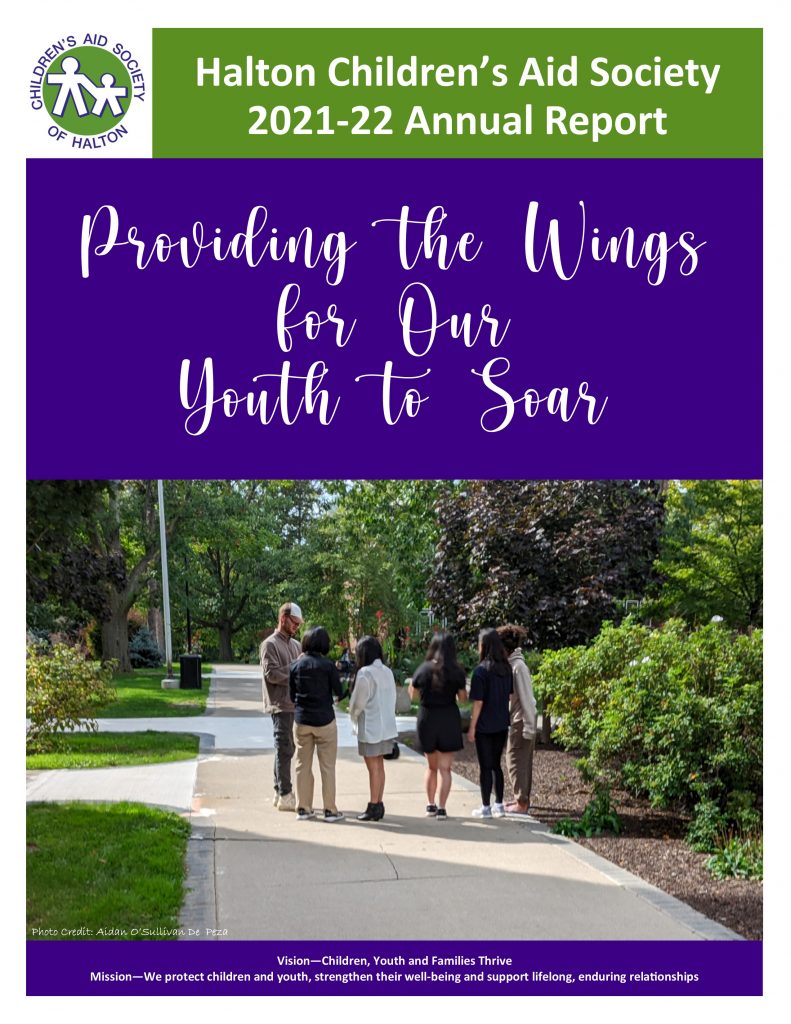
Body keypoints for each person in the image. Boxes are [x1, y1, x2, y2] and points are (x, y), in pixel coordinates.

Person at [408, 633, 468, 820]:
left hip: (427, 717)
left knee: (431, 767)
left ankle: (430, 804)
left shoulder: (423, 669)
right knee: (445, 769)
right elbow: (463, 699)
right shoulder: (456, 671)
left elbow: (413, 695)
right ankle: (442, 808)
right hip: (449, 718)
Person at [289, 626, 345, 822]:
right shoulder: (328, 666)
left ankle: (303, 808)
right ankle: (330, 810)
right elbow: (339, 691)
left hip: (302, 720)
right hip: (325, 720)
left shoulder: (295, 666)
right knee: (327, 767)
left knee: (302, 764)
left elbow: (291, 695)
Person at [348, 636, 398, 821]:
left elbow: (358, 703)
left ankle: (373, 806)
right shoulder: (387, 671)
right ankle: (378, 803)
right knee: (380, 766)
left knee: (373, 768)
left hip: (370, 727)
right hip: (387, 728)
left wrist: (352, 713)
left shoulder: (365, 674)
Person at [260, 602, 303, 811]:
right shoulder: (269, 645)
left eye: (298, 624)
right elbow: (272, 674)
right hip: (279, 704)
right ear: (283, 618)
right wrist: (296, 667)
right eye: (294, 622)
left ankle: (279, 790)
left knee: (286, 749)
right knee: (284, 748)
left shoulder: (296, 645)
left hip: (294, 704)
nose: (296, 627)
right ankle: (285, 793)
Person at [468, 628, 513, 818]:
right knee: (496, 764)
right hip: (502, 723)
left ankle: (486, 807)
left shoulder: (480, 671)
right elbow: (510, 695)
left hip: (485, 725)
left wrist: (472, 727)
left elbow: (478, 702)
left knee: (485, 766)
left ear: (483, 646)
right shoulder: (506, 669)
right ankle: (499, 804)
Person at [497, 624, 537, 816]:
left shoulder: (518, 667)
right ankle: (520, 798)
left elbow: (527, 698)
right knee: (520, 760)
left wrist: (529, 725)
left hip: (521, 721)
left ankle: (522, 803)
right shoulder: (514, 665)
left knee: (514, 759)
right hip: (519, 720)